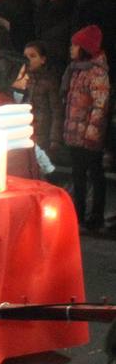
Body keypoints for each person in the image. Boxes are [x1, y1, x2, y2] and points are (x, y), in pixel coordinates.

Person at [61, 25, 109, 231]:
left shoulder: (96, 73)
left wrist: (91, 133)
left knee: (94, 173)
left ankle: (95, 216)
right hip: (75, 132)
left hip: (88, 134)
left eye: (75, 45)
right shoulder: (76, 70)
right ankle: (78, 213)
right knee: (78, 174)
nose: (71, 49)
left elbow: (100, 105)